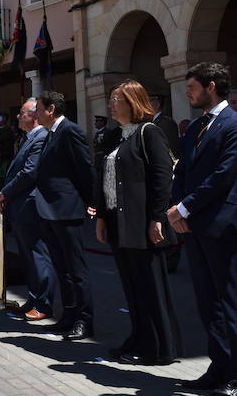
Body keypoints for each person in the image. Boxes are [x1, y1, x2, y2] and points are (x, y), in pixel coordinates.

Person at [94, 80, 181, 366]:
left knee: (150, 286)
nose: (111, 104)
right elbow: (104, 180)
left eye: (116, 99)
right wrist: (101, 217)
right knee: (132, 287)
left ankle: (160, 347)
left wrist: (157, 217)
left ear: (132, 101)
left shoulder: (149, 132)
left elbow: (162, 177)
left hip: (143, 224)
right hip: (118, 223)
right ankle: (140, 337)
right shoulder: (115, 136)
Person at [167, 63, 237, 393]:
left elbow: (223, 176)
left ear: (210, 86)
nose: (187, 93)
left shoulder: (233, 124)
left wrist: (184, 207)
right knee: (206, 302)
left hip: (221, 227)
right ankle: (219, 366)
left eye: (192, 87)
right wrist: (179, 210)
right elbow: (182, 172)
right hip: (194, 226)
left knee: (228, 301)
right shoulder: (196, 126)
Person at [34, 90, 95, 341]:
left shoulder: (70, 131)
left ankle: (84, 320)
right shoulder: (51, 134)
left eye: (39, 108)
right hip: (50, 212)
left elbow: (85, 169)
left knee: (76, 269)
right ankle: (68, 316)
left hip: (67, 210)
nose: (36, 113)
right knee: (62, 269)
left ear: (51, 110)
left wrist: (92, 203)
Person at [0, 99, 54, 322]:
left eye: (21, 113)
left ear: (34, 116)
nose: (18, 117)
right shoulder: (28, 137)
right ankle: (34, 297)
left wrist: (5, 193)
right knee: (28, 256)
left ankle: (43, 303)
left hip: (30, 205)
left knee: (38, 255)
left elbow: (29, 172)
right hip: (21, 206)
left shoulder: (40, 137)